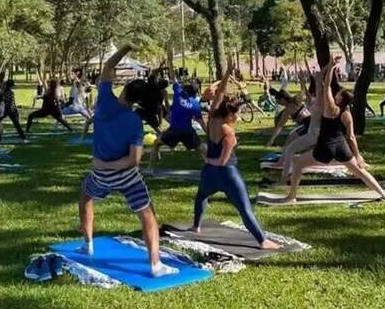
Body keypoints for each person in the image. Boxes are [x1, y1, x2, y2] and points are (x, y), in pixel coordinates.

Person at [77, 44, 178, 277]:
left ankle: (88, 244)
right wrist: (113, 165)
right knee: (147, 214)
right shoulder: (134, 121)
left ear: (124, 91)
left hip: (100, 174)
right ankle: (155, 265)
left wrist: (126, 47)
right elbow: (134, 161)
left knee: (85, 198)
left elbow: (108, 66)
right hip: (125, 176)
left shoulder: (103, 100)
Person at [189, 61, 280, 250]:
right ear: (230, 114)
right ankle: (263, 241)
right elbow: (222, 161)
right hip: (227, 174)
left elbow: (220, 93)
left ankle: (196, 226)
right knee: (245, 209)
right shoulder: (228, 133)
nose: (238, 117)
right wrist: (209, 159)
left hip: (209, 174)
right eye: (237, 114)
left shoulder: (213, 117)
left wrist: (228, 72)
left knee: (201, 196)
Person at [283, 56, 385, 202]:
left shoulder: (330, 108)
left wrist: (332, 67)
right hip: (341, 146)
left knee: (299, 163)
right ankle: (384, 194)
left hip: (324, 146)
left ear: (339, 99)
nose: (336, 93)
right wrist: (358, 156)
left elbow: (326, 87)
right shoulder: (347, 114)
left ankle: (291, 196)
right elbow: (351, 137)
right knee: (360, 172)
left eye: (338, 94)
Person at [275, 68, 326, 183]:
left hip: (313, 132)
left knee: (291, 150)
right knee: (292, 149)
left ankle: (284, 179)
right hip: (313, 132)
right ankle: (285, 177)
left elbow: (313, 88)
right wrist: (303, 80)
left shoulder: (321, 103)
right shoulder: (315, 101)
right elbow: (307, 91)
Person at [147, 76, 206, 170]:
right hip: (187, 131)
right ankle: (212, 168)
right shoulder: (195, 104)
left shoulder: (178, 94)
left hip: (174, 130)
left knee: (156, 143)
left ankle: (150, 168)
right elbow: (202, 123)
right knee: (203, 149)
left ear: (185, 91)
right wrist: (210, 135)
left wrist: (170, 62)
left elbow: (174, 78)